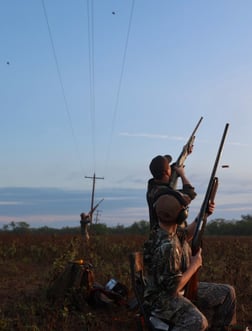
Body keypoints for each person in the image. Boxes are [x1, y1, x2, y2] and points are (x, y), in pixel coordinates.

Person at [143, 193, 237, 331]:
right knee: (198, 322)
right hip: (162, 299)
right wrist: (194, 265)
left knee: (227, 292)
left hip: (176, 288)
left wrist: (202, 215)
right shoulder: (167, 247)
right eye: (184, 209)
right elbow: (173, 288)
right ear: (181, 215)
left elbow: (186, 234)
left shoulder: (166, 231)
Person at [146, 154, 197, 234]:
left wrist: (185, 154)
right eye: (169, 166)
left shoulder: (151, 187)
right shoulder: (168, 195)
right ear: (167, 172)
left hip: (156, 236)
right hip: (169, 237)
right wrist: (182, 175)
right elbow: (190, 194)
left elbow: (165, 173)